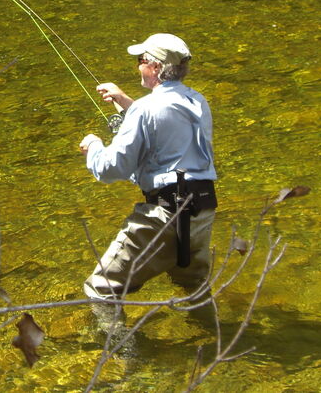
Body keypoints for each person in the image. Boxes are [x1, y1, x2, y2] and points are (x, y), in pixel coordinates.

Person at [79, 33, 218, 306]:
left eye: (140, 61)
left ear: (154, 67)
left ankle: (119, 349)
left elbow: (112, 169)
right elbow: (166, 130)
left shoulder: (145, 109)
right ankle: (214, 340)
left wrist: (94, 147)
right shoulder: (197, 101)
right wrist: (124, 101)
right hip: (202, 209)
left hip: (166, 212)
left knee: (101, 291)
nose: (137, 67)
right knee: (192, 286)